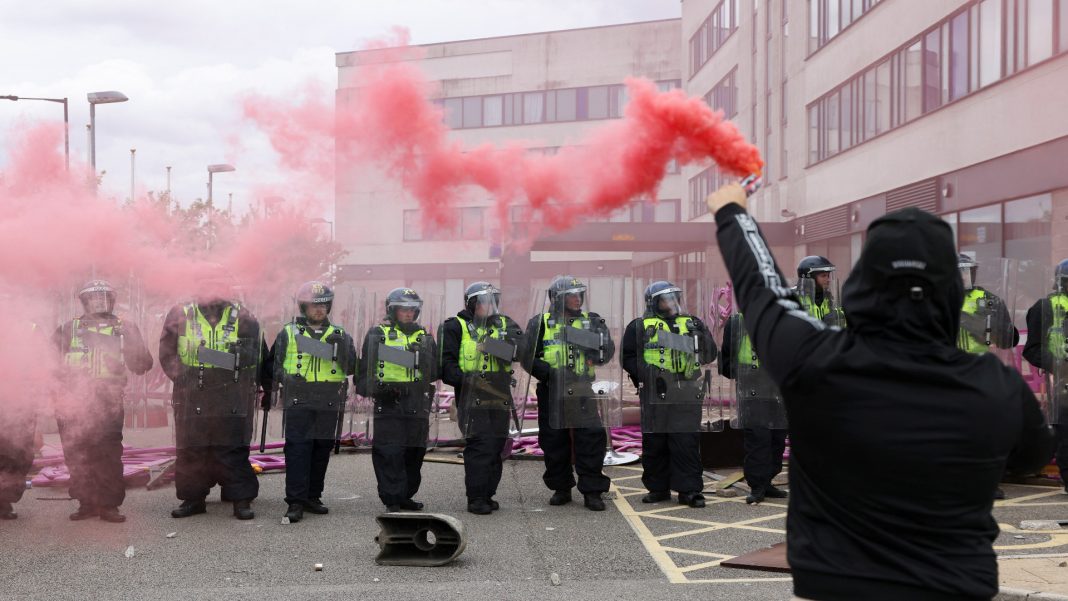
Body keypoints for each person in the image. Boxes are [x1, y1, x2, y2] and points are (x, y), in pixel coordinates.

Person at [707, 183, 1053, 600]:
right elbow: (1032, 455)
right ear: (950, 291)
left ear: (863, 283)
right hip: (954, 582)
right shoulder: (997, 387)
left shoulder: (817, 361)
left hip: (839, 584)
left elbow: (761, 287)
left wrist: (732, 211)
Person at [159, 273, 270, 520]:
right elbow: (167, 352)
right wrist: (181, 377)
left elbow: (259, 355)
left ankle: (240, 499)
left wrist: (262, 384)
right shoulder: (180, 314)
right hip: (192, 391)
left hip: (231, 391)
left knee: (232, 448)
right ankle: (193, 499)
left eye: (217, 287)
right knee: (192, 449)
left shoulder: (243, 316)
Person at [52, 280, 153, 523]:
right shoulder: (68, 329)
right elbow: (49, 365)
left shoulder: (125, 328)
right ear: (83, 302)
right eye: (93, 298)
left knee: (108, 454)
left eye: (104, 297)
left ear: (113, 300)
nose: (99, 302)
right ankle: (86, 502)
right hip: (73, 403)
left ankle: (109, 506)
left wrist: (130, 343)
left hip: (108, 403)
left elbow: (142, 365)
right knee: (77, 454)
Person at [621, 281, 716, 508]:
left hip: (687, 390)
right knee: (655, 441)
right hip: (656, 391)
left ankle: (689, 490)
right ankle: (658, 488)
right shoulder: (639, 326)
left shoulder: (692, 323)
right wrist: (646, 374)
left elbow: (710, 355)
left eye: (675, 297)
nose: (672, 302)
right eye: (666, 298)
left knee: (686, 441)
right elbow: (628, 357)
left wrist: (700, 338)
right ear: (653, 302)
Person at [524, 276, 614, 511]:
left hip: (582, 388)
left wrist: (588, 341)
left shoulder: (591, 321)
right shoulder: (540, 322)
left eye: (579, 294)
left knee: (591, 438)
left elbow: (607, 351)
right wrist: (550, 373)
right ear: (558, 298)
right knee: (554, 441)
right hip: (552, 389)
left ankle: (592, 490)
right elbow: (527, 356)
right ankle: (561, 487)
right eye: (571, 295)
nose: (577, 299)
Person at [269, 281, 357, 523]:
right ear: (303, 307)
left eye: (323, 305)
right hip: (299, 397)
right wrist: (285, 378)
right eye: (313, 305)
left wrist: (343, 352)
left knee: (321, 450)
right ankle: (295, 502)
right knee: (298, 449)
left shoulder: (340, 334)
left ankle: (312, 496)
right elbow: (273, 365)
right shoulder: (288, 332)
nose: (319, 310)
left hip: (329, 398)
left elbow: (354, 368)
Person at [439, 282, 524, 515]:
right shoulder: (454, 327)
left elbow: (523, 351)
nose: (490, 305)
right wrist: (468, 380)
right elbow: (446, 367)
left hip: (500, 395)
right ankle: (476, 498)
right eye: (485, 301)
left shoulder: (505, 324)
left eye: (493, 301)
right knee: (480, 446)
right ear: (472, 303)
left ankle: (487, 494)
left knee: (497, 446)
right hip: (470, 396)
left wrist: (492, 346)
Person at [357, 287, 438, 513]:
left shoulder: (425, 336)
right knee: (390, 452)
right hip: (389, 402)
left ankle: (406, 495)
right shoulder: (377, 334)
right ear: (392, 310)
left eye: (412, 310)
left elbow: (434, 372)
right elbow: (364, 374)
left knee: (414, 452)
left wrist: (422, 358)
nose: (409, 314)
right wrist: (379, 388)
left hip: (416, 404)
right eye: (404, 309)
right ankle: (392, 498)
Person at [719, 313, 787, 505]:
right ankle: (757, 485)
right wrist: (741, 374)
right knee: (758, 437)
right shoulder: (738, 321)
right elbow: (728, 356)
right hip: (752, 386)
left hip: (776, 386)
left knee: (777, 436)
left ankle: (768, 482)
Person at [1023, 258, 1068, 492]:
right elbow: (1032, 349)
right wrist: (1058, 364)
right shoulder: (1044, 307)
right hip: (1062, 382)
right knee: (1066, 434)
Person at [957, 253, 1019, 354]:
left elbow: (1008, 341)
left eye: (967, 272)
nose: (963, 277)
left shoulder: (988, 299)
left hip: (977, 362)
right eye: (958, 272)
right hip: (946, 363)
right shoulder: (940, 299)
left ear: (973, 273)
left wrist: (993, 326)